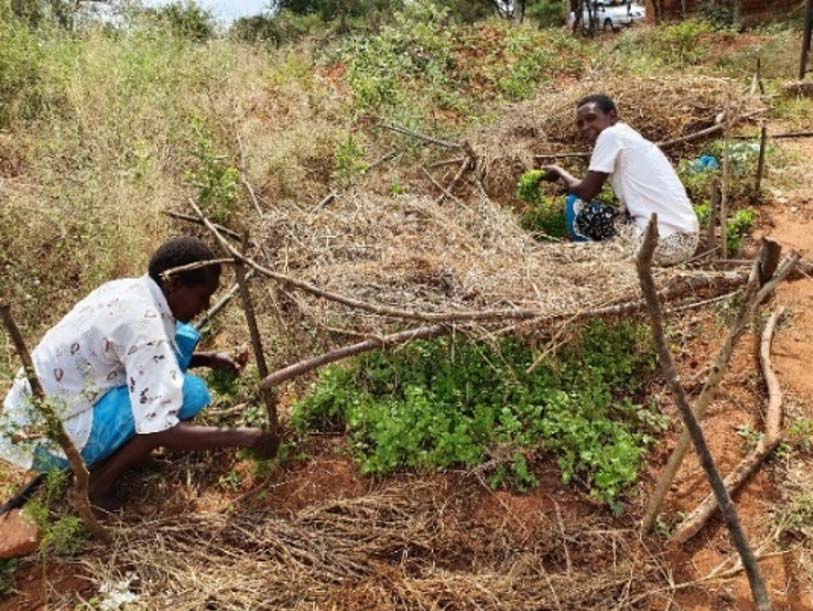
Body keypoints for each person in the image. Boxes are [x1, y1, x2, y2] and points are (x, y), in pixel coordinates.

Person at [0, 237, 279, 509]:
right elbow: (162, 426)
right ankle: (99, 485)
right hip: (46, 442)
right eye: (202, 297)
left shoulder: (126, 289)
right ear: (174, 284)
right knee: (187, 397)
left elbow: (133, 357)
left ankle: (126, 451)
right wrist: (247, 437)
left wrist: (206, 358)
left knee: (181, 381)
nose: (204, 308)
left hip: (23, 420)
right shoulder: (145, 328)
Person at [540, 94, 700, 266]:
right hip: (686, 241)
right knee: (611, 212)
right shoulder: (628, 136)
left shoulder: (610, 135)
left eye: (591, 119)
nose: (585, 127)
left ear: (612, 116)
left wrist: (559, 171)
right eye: (580, 123)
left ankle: (590, 261)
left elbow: (585, 191)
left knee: (580, 208)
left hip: (663, 244)